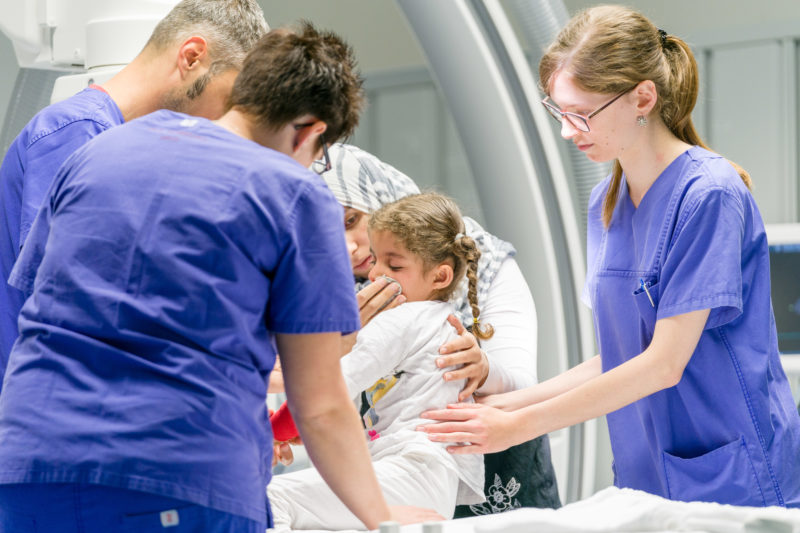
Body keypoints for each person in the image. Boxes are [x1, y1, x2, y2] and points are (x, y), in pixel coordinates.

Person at [0, 23, 440, 532]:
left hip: (28, 467)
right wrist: (379, 515)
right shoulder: (294, 195)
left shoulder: (98, 151)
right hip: (174, 479)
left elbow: (41, 297)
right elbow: (318, 403)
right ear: (311, 132)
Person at [418, 4, 800, 508]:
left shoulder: (710, 195)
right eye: (559, 112)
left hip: (733, 472)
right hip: (644, 470)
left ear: (642, 96)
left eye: (581, 114)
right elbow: (620, 354)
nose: (567, 131)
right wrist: (500, 402)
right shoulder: (607, 202)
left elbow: (663, 364)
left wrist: (515, 427)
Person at [0, 0, 270, 384]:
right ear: (192, 57)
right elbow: (73, 298)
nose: (224, 122)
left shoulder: (119, 143)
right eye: (228, 102)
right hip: (48, 400)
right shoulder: (78, 131)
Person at [313, 143, 561, 514]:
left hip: (497, 469)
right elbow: (318, 400)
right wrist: (347, 342)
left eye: (351, 220)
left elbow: (524, 387)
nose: (348, 248)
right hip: (398, 475)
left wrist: (481, 368)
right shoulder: (329, 291)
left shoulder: (484, 266)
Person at [268, 192, 487, 530]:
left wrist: (272, 432)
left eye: (394, 265)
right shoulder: (442, 320)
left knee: (269, 499)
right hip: (428, 477)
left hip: (409, 466)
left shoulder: (399, 320)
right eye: (375, 261)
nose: (375, 274)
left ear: (440, 277)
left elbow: (328, 390)